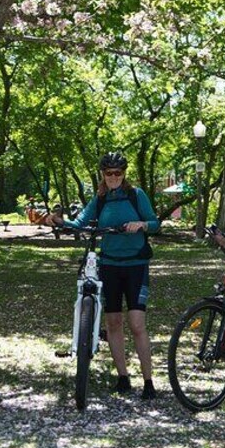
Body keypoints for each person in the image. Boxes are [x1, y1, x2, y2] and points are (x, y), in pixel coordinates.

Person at [47, 152, 161, 400]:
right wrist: (58, 221)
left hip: (136, 265)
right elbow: (80, 223)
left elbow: (155, 222)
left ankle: (148, 380)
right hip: (109, 265)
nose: (113, 177)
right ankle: (123, 377)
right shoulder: (99, 199)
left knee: (137, 323)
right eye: (108, 173)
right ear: (103, 175)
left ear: (124, 174)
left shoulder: (136, 195)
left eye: (118, 173)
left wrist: (141, 225)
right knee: (113, 323)